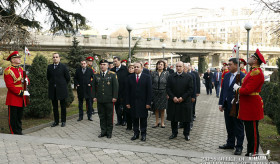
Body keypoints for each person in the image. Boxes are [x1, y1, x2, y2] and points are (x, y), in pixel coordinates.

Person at [233, 49, 266, 156]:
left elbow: (248, 90)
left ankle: (254, 151)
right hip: (248, 104)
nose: (249, 58)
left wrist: (238, 89)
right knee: (249, 130)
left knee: (253, 131)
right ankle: (250, 150)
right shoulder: (252, 71)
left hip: (252, 105)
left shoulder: (257, 72)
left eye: (251, 57)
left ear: (255, 60)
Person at [218, 58, 245, 155]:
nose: (228, 66)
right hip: (227, 105)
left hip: (237, 106)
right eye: (228, 64)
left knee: (238, 126)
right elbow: (224, 90)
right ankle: (230, 143)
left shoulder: (242, 76)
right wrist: (221, 103)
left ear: (236, 65)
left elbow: (244, 92)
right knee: (229, 125)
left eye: (230, 64)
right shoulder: (226, 75)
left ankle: (239, 147)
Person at [4, 51, 30, 135]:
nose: (19, 59)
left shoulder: (21, 69)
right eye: (17, 58)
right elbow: (10, 86)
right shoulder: (8, 70)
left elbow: (27, 79)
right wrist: (20, 92)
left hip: (22, 97)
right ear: (12, 60)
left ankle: (19, 131)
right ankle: (14, 132)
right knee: (13, 117)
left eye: (19, 57)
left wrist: (26, 80)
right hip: (14, 97)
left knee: (19, 116)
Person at [167, 61, 193, 141]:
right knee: (174, 119)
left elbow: (190, 89)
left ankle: (186, 134)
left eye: (180, 66)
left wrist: (183, 97)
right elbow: (168, 88)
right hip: (174, 101)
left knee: (186, 119)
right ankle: (174, 133)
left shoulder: (188, 77)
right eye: (177, 66)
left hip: (184, 101)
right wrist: (173, 97)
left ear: (183, 67)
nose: (178, 68)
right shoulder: (171, 77)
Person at [92, 59, 118, 139]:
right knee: (102, 116)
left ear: (107, 66)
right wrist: (94, 96)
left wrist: (115, 97)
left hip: (109, 99)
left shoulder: (112, 74)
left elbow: (116, 87)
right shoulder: (96, 75)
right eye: (101, 64)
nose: (102, 66)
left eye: (104, 64)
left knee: (109, 116)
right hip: (100, 99)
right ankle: (103, 131)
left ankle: (109, 132)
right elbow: (93, 87)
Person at [126, 62, 152, 142]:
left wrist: (148, 103)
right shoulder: (130, 77)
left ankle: (143, 134)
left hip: (143, 103)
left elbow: (149, 91)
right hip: (133, 102)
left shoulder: (147, 77)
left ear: (142, 68)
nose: (136, 68)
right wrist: (127, 103)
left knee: (143, 119)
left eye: (137, 67)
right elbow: (127, 91)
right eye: (135, 67)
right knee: (135, 119)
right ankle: (136, 133)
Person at [47, 53, 70, 127]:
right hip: (53, 90)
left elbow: (68, 78)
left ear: (59, 58)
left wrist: (61, 84)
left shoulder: (63, 67)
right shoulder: (49, 67)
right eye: (53, 57)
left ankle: (63, 121)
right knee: (55, 107)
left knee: (63, 106)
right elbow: (48, 77)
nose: (55, 58)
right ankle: (56, 121)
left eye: (56, 57)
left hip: (62, 89)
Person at [111, 56, 129, 126]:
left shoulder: (125, 69)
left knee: (124, 107)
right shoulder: (112, 70)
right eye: (114, 61)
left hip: (123, 91)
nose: (115, 63)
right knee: (117, 106)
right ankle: (119, 120)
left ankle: (124, 120)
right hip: (115, 92)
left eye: (116, 61)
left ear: (119, 61)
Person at [151, 60, 169, 128]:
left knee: (162, 108)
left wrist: (168, 93)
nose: (159, 65)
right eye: (158, 64)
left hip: (163, 92)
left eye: (161, 64)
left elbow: (168, 84)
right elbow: (151, 83)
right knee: (156, 108)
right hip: (155, 92)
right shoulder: (153, 73)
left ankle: (162, 122)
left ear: (164, 66)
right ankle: (156, 122)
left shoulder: (166, 73)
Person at [126, 63, 135, 130]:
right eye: (129, 68)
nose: (130, 69)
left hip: (134, 96)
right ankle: (129, 126)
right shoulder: (126, 76)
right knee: (127, 112)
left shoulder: (136, 76)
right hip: (127, 96)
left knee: (133, 112)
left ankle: (134, 125)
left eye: (132, 68)